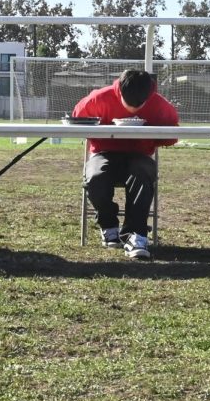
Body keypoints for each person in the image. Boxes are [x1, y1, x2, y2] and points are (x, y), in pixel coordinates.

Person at [72, 69, 179, 260]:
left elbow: (172, 135)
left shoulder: (160, 104)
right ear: (119, 90)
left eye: (140, 105)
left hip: (139, 155)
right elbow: (77, 120)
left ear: (149, 95)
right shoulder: (98, 99)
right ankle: (108, 225)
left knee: (142, 175)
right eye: (128, 103)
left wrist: (151, 134)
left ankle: (136, 235)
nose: (133, 109)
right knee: (95, 177)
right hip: (103, 153)